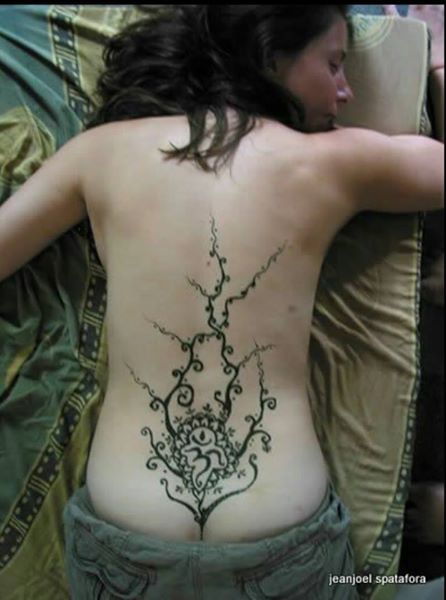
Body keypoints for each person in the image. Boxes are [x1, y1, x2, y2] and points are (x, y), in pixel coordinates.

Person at [0, 5, 443, 599]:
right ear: (270, 55)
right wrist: (437, 67)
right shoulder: (329, 162)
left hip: (124, 559)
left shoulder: (99, 152)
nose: (348, 90)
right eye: (334, 64)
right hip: (287, 559)